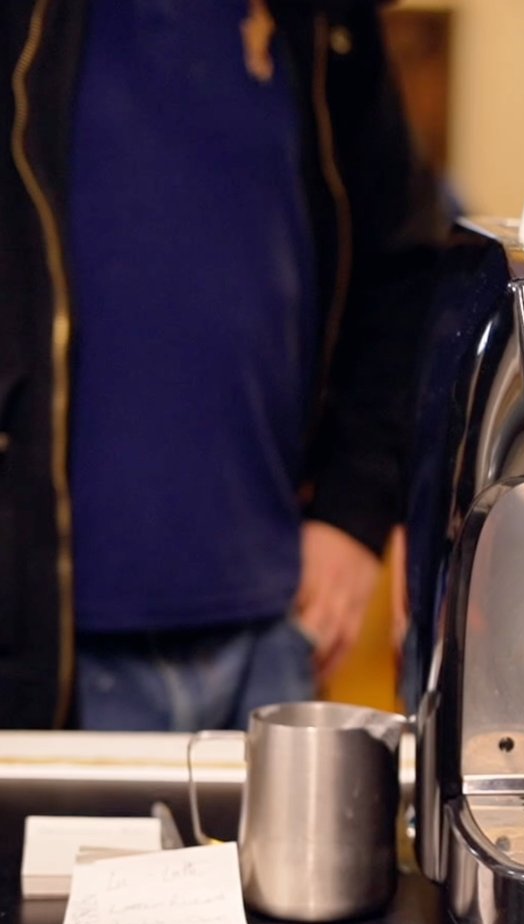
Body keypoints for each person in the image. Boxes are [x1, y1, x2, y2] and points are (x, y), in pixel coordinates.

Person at [1, 0, 446, 730]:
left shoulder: (324, 18)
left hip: (274, 633)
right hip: (42, 652)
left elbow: (401, 269)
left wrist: (354, 513)